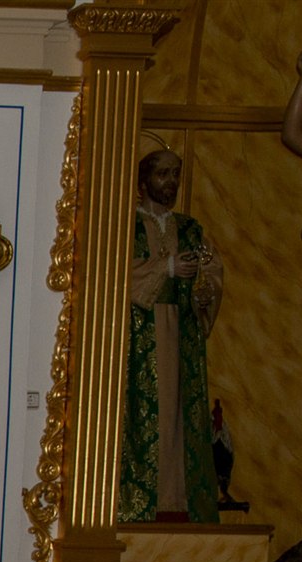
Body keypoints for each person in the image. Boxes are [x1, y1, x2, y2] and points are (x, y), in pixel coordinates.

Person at [120, 143, 223, 524]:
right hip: (139, 338)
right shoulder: (126, 226)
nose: (171, 182)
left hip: (180, 335)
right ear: (143, 181)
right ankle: (135, 501)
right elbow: (115, 273)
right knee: (142, 417)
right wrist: (165, 268)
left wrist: (203, 290)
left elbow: (212, 272)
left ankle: (177, 500)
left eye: (176, 174)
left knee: (178, 417)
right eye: (163, 174)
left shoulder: (190, 228)